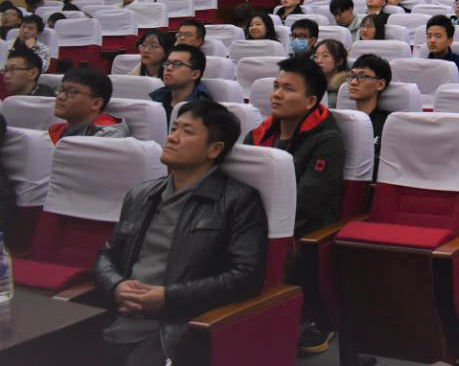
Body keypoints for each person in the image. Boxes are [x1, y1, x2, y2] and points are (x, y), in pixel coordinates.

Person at [95, 100, 266, 366]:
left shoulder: (238, 200)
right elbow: (107, 254)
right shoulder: (141, 195)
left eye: (187, 132)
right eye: (174, 128)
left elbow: (245, 277)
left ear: (214, 149)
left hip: (176, 328)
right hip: (118, 317)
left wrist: (168, 297)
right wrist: (116, 286)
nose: (172, 138)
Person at [244, 55, 344, 354]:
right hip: (255, 220)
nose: (277, 94)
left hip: (303, 226)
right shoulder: (259, 134)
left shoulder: (327, 140)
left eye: (288, 89)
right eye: (276, 86)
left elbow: (308, 200)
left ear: (310, 101)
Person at [51, 65, 130, 143]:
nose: (60, 97)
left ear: (96, 103)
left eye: (72, 92)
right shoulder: (54, 131)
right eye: (61, 90)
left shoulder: (109, 137)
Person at [346, 54, 393, 171]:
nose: (353, 82)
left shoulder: (388, 123)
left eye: (362, 76)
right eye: (352, 76)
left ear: (380, 84)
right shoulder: (343, 120)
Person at [149, 45, 212, 126]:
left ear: (195, 74)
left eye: (177, 64)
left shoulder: (203, 111)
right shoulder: (157, 98)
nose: (168, 68)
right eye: (167, 63)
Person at [424, 15, 459, 83]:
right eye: (429, 36)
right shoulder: (423, 65)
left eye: (438, 36)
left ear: (450, 40)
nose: (432, 40)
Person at [312, 39, 349, 107]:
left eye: (325, 56)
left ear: (339, 61)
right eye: (316, 56)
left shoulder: (345, 88)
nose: (318, 61)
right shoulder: (310, 84)